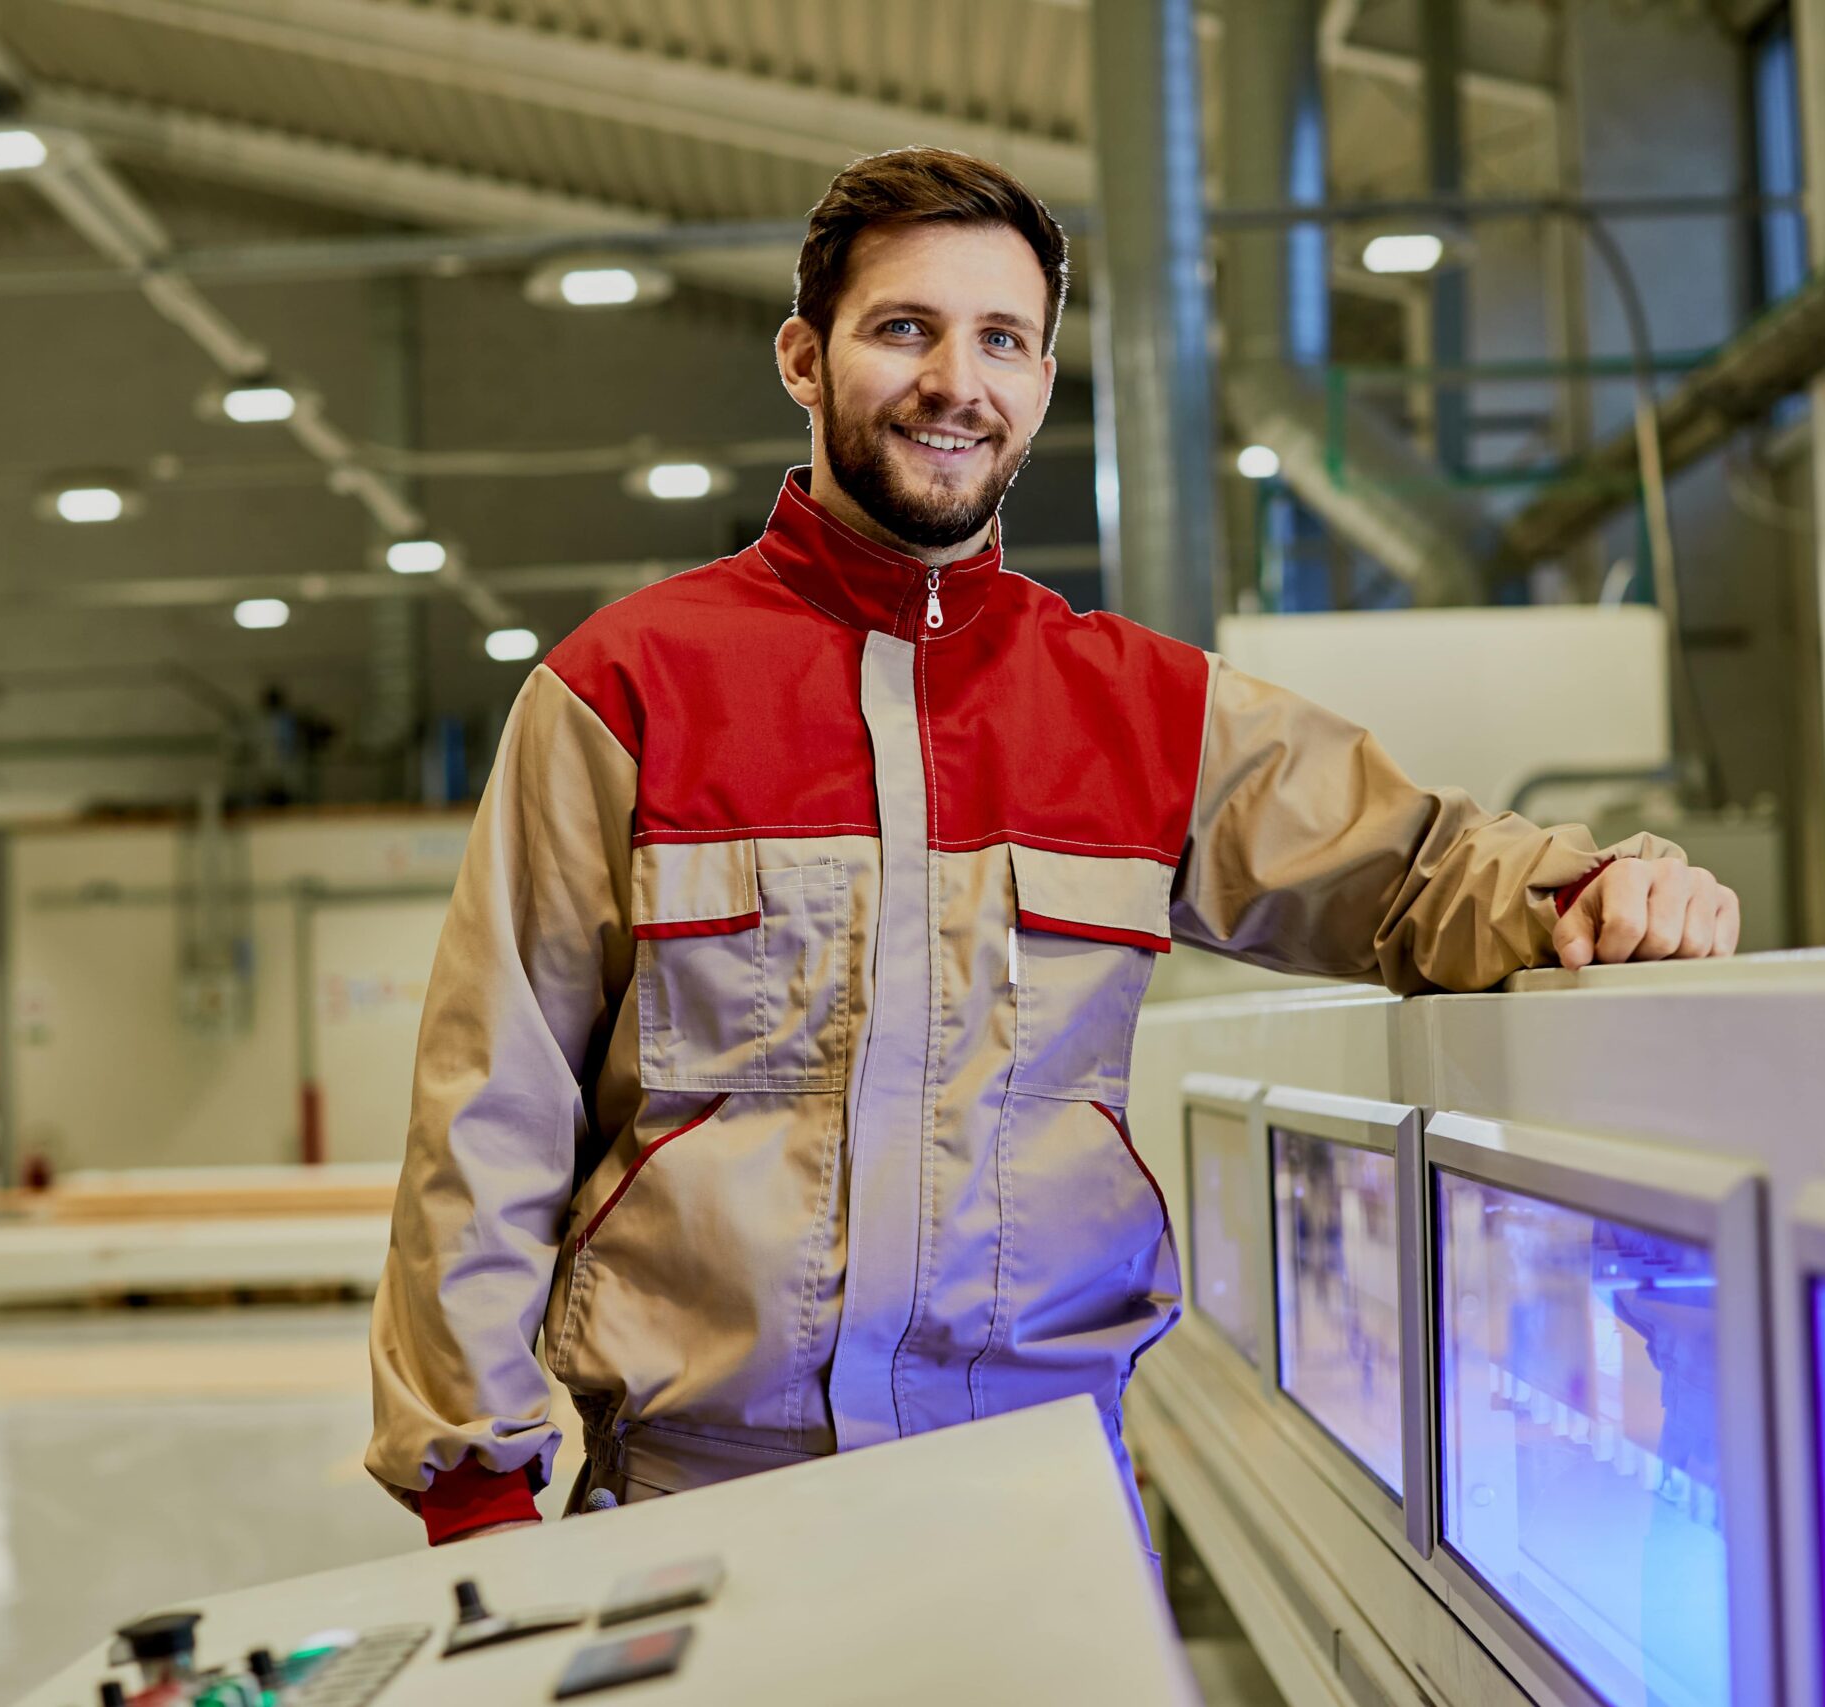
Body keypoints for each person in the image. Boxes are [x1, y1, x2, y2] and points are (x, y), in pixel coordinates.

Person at [367, 147, 1740, 1545]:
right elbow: (493, 1097)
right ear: (803, 356)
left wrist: (1594, 886)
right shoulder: (628, 690)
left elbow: (1415, 875)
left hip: (1037, 1494)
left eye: (1002, 339)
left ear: (1040, 377)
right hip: (699, 1495)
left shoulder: (1145, 710)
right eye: (905, 327)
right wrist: (472, 1481)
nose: (956, 379)